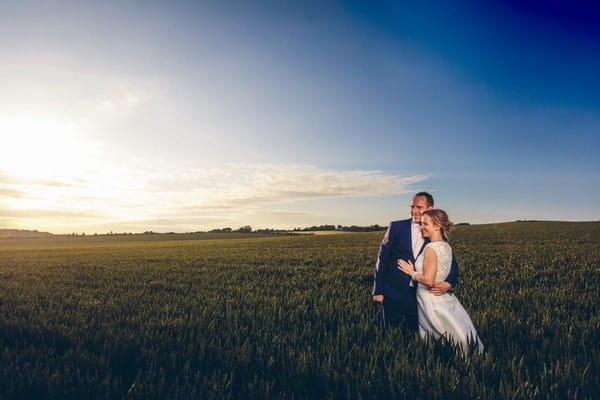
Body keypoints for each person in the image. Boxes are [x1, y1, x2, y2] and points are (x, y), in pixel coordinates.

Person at [398, 209, 484, 355]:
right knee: (454, 327)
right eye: (421, 224)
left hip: (430, 298)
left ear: (437, 226)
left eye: (425, 224)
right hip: (442, 297)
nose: (421, 227)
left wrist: (411, 272)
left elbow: (429, 281)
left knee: (438, 331)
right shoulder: (446, 246)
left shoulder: (431, 248)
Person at [372, 192, 458, 334]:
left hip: (420, 295)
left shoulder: (434, 232)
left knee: (416, 335)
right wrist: (378, 290)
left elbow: (450, 262)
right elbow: (382, 259)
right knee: (387, 334)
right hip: (393, 292)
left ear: (430, 208)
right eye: (412, 206)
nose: (414, 211)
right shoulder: (396, 227)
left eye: (419, 207)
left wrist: (449, 283)